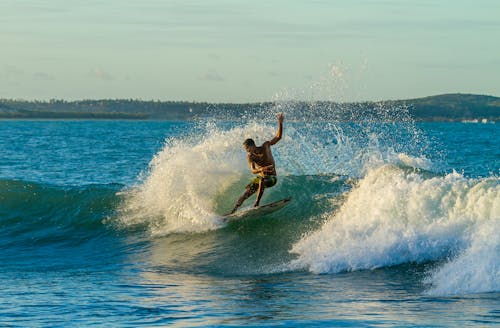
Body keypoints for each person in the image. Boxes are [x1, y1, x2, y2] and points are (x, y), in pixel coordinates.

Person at [229, 113, 284, 214]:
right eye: (246, 150)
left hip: (272, 179)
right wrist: (261, 169)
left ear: (253, 145)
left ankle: (256, 204)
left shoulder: (265, 147)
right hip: (260, 178)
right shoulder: (250, 157)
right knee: (244, 194)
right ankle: (232, 212)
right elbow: (253, 170)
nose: (248, 152)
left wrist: (280, 123)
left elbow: (278, 137)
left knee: (262, 180)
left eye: (248, 149)